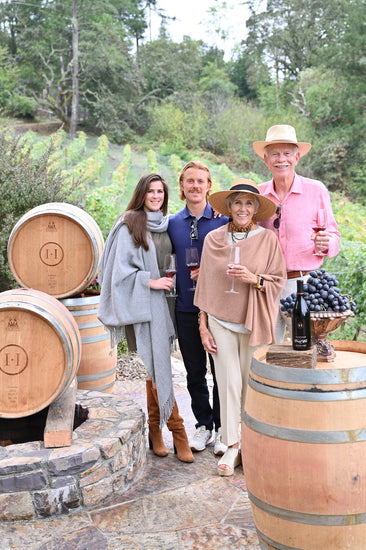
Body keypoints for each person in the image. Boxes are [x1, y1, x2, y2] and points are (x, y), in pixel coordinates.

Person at [97, 173, 194, 463]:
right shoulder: (130, 223)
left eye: (160, 192)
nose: (155, 196)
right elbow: (116, 270)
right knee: (157, 363)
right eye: (150, 191)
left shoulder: (167, 225)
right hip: (142, 305)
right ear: (142, 194)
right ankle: (178, 430)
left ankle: (155, 429)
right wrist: (150, 282)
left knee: (155, 368)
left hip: (167, 306)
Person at [194, 179, 286, 476]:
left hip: (255, 321)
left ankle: (251, 444)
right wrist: (203, 326)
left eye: (249, 203)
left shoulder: (268, 240)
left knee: (251, 386)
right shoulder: (214, 239)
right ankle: (231, 445)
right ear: (229, 208)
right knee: (228, 383)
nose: (243, 208)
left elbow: (277, 281)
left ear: (256, 208)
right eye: (238, 203)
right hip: (220, 320)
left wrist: (253, 278)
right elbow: (205, 285)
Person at [253, 124, 340, 342]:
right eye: (274, 154)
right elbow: (240, 226)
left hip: (303, 285)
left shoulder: (316, 190)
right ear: (266, 160)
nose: (281, 159)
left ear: (297, 157)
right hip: (266, 285)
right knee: (267, 351)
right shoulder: (258, 194)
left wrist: (326, 242)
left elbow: (333, 235)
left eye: (287, 153)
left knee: (304, 349)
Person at [168, 161, 228, 455]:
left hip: (217, 309)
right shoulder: (172, 223)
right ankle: (203, 425)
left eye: (200, 181)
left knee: (220, 371)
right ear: (182, 186)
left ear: (208, 186)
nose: (195, 185)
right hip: (185, 307)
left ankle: (222, 427)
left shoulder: (222, 220)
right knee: (194, 372)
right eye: (189, 181)